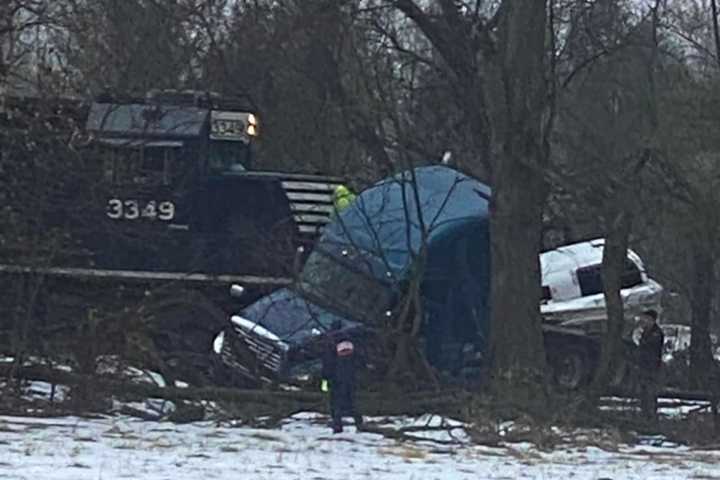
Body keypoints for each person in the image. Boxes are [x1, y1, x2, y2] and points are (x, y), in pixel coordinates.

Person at [320, 320, 363, 433]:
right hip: (351, 375)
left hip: (336, 377)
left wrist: (325, 378)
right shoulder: (350, 341)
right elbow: (358, 359)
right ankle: (359, 423)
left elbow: (328, 361)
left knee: (335, 402)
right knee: (351, 400)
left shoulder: (330, 341)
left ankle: (337, 425)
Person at [634, 310, 664, 420]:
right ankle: (645, 415)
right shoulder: (646, 332)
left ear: (652, 320)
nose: (643, 321)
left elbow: (649, 347)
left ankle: (651, 416)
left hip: (652, 367)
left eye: (646, 319)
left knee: (650, 392)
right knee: (643, 393)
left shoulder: (656, 333)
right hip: (644, 366)